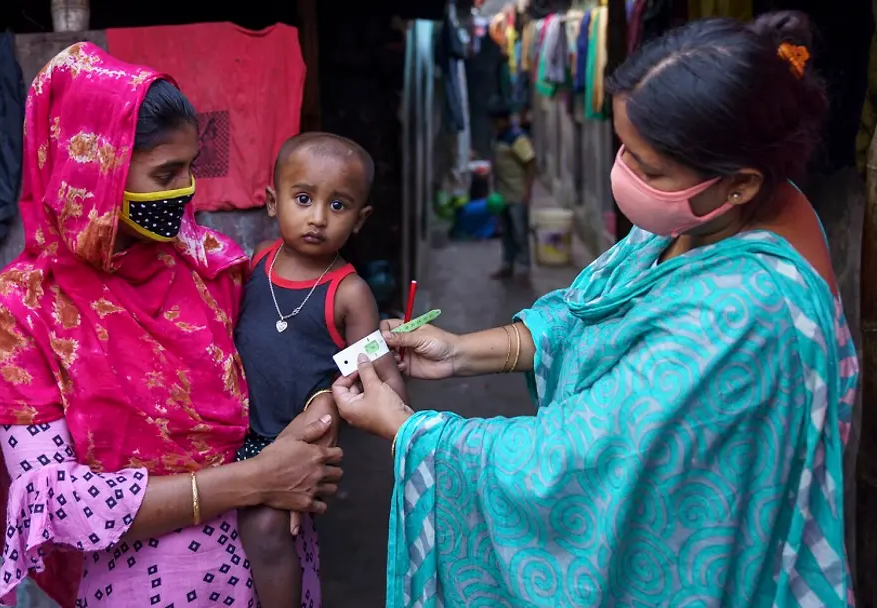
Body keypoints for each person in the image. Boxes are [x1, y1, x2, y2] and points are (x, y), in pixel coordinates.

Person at [331, 12, 858, 607]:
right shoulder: (696, 215)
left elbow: (579, 461)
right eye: (624, 148)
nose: (625, 173)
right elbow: (587, 316)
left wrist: (408, 430)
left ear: (739, 181)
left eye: (648, 168)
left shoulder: (748, 310)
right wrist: (460, 352)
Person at [0, 43, 342, 608]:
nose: (187, 189)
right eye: (166, 173)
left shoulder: (213, 266)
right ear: (97, 172)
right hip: (147, 589)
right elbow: (55, 505)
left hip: (275, 568)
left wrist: (321, 414)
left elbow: (296, 361)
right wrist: (257, 479)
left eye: (191, 168)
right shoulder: (23, 309)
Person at [234, 133, 408, 607]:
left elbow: (374, 368)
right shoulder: (258, 262)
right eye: (304, 199)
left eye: (337, 205)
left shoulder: (348, 293)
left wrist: (403, 427)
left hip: (300, 434)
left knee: (266, 528)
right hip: (241, 429)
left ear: (359, 220)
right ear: (273, 202)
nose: (317, 218)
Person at [489, 100, 536, 280]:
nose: (495, 124)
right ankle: (507, 265)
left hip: (517, 193)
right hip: (502, 194)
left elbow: (530, 162)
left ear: (506, 119)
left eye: (498, 121)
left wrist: (527, 190)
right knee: (506, 232)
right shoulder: (499, 137)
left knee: (519, 232)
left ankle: (523, 268)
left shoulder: (517, 138)